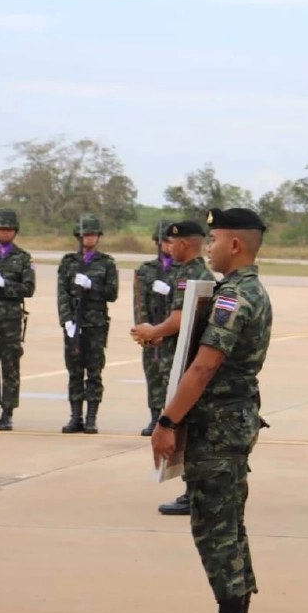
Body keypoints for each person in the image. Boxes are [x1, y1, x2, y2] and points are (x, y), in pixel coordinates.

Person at [151, 207, 272, 613]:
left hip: (218, 427)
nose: (209, 247)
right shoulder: (245, 290)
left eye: (215, 240)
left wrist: (167, 423)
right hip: (232, 422)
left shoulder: (232, 298)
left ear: (235, 245)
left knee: (215, 527)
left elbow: (204, 365)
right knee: (228, 525)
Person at [133, 220, 216, 516]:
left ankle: (192, 491)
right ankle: (195, 490)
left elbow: (179, 320)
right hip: (184, 354)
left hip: (181, 361)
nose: (168, 247)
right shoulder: (202, 273)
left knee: (185, 426)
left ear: (182, 244)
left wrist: (152, 331)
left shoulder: (187, 275)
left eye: (171, 242)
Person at [57, 214, 120, 434]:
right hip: (74, 323)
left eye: (93, 234)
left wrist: (92, 285)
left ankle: (91, 418)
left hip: (95, 324)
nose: (89, 238)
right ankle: (76, 417)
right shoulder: (68, 262)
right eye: (86, 234)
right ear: (79, 236)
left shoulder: (106, 263)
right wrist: (66, 321)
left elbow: (112, 294)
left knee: (94, 372)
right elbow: (62, 294)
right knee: (74, 371)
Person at [0, 208, 36, 432]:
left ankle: (7, 413)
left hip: (11, 321)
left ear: (15, 232)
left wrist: (4, 284)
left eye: (9, 229)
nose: (5, 233)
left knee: (10, 367)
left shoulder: (23, 259)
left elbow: (28, 288)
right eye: (1, 229)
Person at [134, 221, 176, 436]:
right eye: (164, 241)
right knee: (153, 376)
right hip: (151, 330)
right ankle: (153, 418)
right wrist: (145, 330)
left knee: (172, 377)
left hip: (172, 333)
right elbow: (140, 301)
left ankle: (170, 418)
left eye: (171, 241)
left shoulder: (181, 269)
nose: (168, 245)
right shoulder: (146, 270)